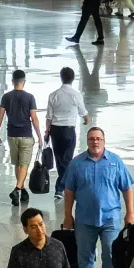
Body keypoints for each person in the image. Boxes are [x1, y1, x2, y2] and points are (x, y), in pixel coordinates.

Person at [62, 127, 134, 268]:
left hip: (110, 219)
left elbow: (127, 188)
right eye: (91, 139)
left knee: (110, 257)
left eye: (98, 138)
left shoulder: (115, 161)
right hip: (84, 219)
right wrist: (67, 216)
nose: (95, 142)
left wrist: (130, 212)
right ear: (87, 141)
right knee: (84, 258)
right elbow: (69, 191)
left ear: (104, 141)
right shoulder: (77, 164)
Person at [0, 69, 44, 206]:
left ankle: (22, 191)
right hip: (26, 135)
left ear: (12, 81)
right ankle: (17, 189)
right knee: (24, 165)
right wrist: (39, 136)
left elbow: (0, 116)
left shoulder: (6, 97)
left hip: (12, 135)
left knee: (18, 164)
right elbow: (34, 118)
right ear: (24, 82)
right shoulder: (30, 97)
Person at [45, 66, 89, 202]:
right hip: (69, 130)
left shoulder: (53, 95)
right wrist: (86, 119)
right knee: (67, 159)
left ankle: (61, 188)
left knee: (60, 160)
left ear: (61, 78)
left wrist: (47, 132)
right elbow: (83, 112)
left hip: (55, 131)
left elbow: (49, 117)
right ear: (73, 78)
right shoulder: (76, 95)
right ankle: (62, 187)